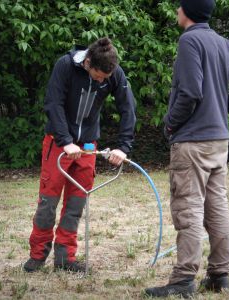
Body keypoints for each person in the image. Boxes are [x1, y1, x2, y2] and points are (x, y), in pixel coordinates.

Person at [144, 0, 229, 297]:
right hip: (218, 140)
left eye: (179, 6)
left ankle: (183, 280)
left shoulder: (189, 41)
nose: (176, 11)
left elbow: (191, 91)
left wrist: (170, 123)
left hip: (192, 141)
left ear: (187, 11)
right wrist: (220, 107)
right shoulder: (222, 43)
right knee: (217, 207)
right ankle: (220, 275)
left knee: (188, 209)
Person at [23, 37, 136, 273]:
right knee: (47, 203)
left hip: (87, 148)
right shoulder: (65, 66)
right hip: (58, 144)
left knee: (75, 204)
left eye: (106, 78)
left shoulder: (113, 73)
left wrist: (123, 147)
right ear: (87, 63)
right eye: (98, 76)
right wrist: (65, 141)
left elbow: (128, 108)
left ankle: (65, 258)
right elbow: (53, 104)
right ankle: (37, 255)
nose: (102, 81)